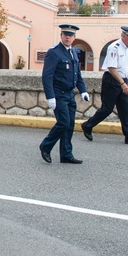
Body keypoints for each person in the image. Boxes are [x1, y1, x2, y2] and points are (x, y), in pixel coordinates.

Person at [81, 26, 128, 146]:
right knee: (107, 109)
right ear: (123, 36)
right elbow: (111, 68)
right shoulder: (114, 47)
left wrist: (124, 81)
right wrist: (122, 83)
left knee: (125, 109)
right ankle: (87, 125)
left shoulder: (127, 47)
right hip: (112, 80)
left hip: (122, 79)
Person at [39, 24, 90, 164]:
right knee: (63, 123)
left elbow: (77, 74)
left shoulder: (73, 51)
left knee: (70, 124)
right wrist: (50, 97)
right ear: (61, 36)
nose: (67, 37)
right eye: (65, 34)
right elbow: (47, 76)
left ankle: (66, 154)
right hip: (58, 94)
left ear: (74, 38)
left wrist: (83, 90)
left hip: (70, 94)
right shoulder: (54, 52)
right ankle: (46, 146)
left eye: (70, 35)